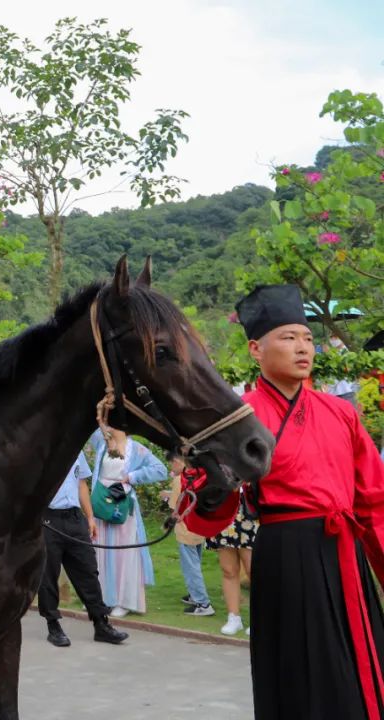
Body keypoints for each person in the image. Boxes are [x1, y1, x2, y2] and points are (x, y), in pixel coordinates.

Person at [183, 284, 384, 720]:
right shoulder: (238, 416)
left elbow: (373, 500)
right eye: (289, 337)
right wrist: (215, 485)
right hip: (285, 553)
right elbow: (204, 510)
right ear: (256, 349)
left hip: (343, 551)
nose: (303, 348)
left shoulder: (341, 412)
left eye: (308, 338)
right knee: (297, 670)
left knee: (356, 668)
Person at [39, 451, 128, 647]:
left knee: (88, 571)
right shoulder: (43, 447)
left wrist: (89, 517)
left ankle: (101, 624)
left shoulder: (76, 451)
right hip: (48, 518)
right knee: (48, 574)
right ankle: (53, 624)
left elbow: (81, 484)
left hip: (74, 518)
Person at [89, 427, 167, 616]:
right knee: (100, 550)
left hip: (122, 504)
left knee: (125, 552)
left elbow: (161, 470)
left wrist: (133, 477)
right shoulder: (102, 442)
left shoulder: (137, 449)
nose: (109, 425)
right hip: (101, 503)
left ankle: (124, 601)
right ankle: (102, 598)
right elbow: (92, 421)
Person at [161, 457, 214, 617]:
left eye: (172, 462)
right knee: (195, 563)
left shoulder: (179, 480)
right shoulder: (199, 477)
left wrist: (166, 525)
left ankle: (203, 603)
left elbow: (174, 507)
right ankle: (194, 595)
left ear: (180, 462)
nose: (171, 466)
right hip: (198, 529)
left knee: (190, 567)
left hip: (185, 531)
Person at [206, 485, 256, 635]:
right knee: (228, 570)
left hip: (248, 512)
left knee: (253, 570)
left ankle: (261, 618)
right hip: (223, 512)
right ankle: (234, 617)